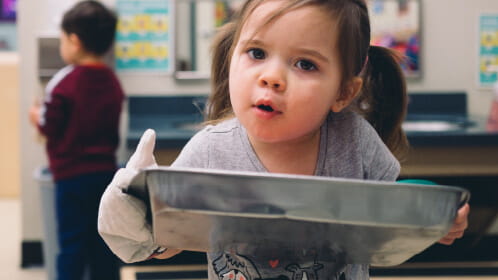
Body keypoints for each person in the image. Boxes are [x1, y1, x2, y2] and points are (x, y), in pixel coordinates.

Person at [98, 0, 469, 279]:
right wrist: (136, 214)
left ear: (343, 92)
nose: (271, 77)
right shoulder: (210, 151)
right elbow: (169, 241)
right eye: (256, 53)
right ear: (232, 58)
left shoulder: (354, 143)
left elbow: (389, 225)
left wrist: (435, 218)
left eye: (305, 64)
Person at [29, 1, 123, 279]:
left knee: (72, 245)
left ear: (74, 41)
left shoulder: (64, 81)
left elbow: (50, 125)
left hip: (71, 179)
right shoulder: (112, 81)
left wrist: (36, 116)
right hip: (106, 176)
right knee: (103, 244)